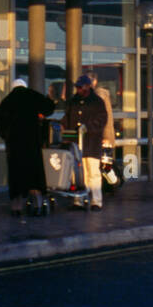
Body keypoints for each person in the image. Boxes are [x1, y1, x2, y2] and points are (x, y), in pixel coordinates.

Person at [0, 77, 55, 216]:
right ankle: (38, 206)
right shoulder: (32, 96)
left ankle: (16, 208)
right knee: (35, 176)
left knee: (17, 178)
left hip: (14, 145)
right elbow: (49, 108)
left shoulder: (7, 100)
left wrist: (6, 135)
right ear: (24, 86)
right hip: (32, 143)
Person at [63, 74, 108, 209]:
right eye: (77, 87)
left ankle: (96, 201)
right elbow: (67, 117)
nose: (78, 90)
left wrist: (88, 127)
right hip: (76, 143)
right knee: (76, 174)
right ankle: (78, 200)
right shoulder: (73, 101)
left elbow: (102, 119)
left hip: (91, 142)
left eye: (80, 87)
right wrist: (62, 125)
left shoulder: (97, 102)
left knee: (93, 172)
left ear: (88, 87)